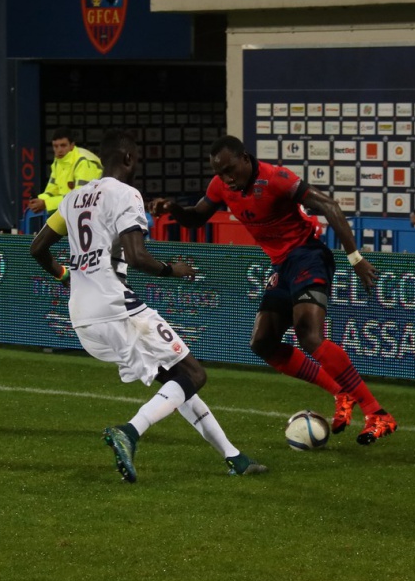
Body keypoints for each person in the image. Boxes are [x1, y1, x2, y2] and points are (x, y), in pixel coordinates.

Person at [29, 129, 267, 482]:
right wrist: (173, 269)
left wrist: (66, 276)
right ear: (129, 158)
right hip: (116, 306)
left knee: (177, 381)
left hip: (81, 315)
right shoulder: (126, 194)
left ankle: (234, 457)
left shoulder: (74, 198)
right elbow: (137, 256)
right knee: (195, 375)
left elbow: (37, 248)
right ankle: (130, 431)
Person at [151, 135, 398, 446]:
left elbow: (329, 206)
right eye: (220, 172)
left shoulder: (276, 178)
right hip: (282, 265)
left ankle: (376, 412)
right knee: (263, 343)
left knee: (309, 334)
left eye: (230, 170)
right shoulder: (221, 185)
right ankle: (341, 392)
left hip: (309, 256)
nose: (227, 178)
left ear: (245, 158)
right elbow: (196, 218)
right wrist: (174, 207)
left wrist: (356, 259)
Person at [26, 127, 102, 216]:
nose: (59, 150)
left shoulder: (83, 162)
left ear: (72, 145)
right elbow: (51, 192)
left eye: (63, 145)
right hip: (72, 210)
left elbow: (80, 198)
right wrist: (38, 200)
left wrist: (46, 204)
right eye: (55, 146)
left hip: (94, 212)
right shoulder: (58, 162)